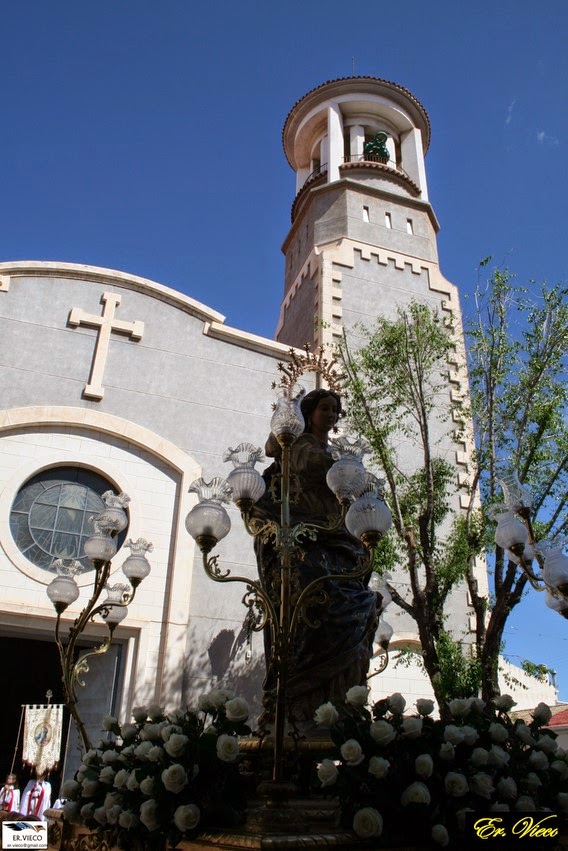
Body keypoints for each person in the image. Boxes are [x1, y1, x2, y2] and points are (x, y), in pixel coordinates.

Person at [253, 389, 378, 725]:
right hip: (303, 537)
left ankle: (341, 697)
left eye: (336, 410)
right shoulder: (298, 446)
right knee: (318, 600)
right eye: (325, 408)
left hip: (336, 536)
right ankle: (301, 695)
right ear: (310, 413)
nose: (332, 415)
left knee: (362, 601)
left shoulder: (332, 454)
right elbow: (286, 453)